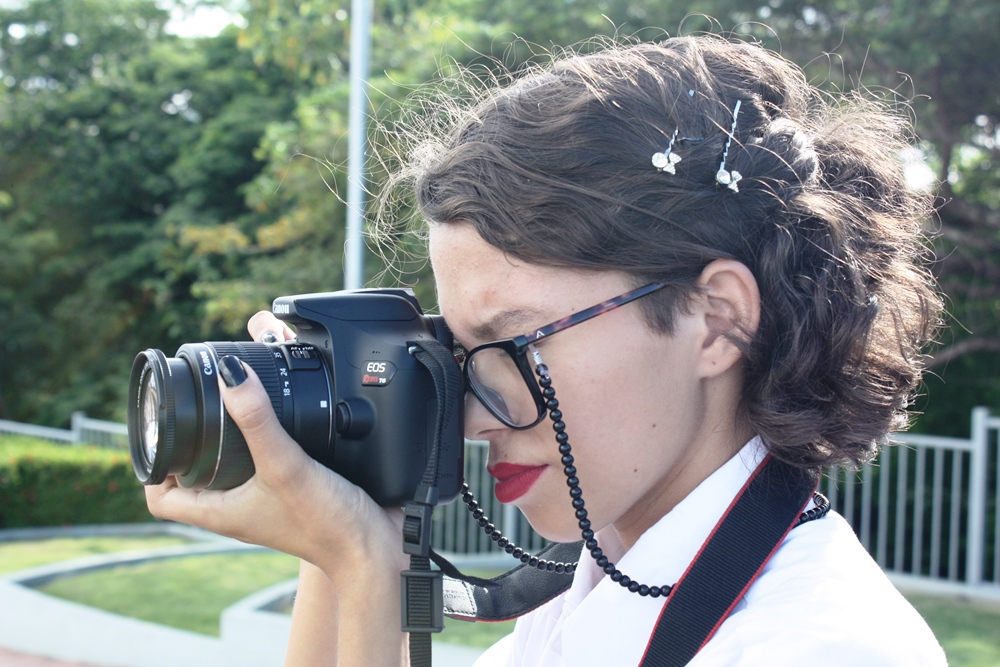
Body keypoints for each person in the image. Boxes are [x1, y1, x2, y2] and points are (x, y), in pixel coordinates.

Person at [145, 34, 948, 665]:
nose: (471, 417)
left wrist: (365, 571)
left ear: (716, 319)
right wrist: (345, 526)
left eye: (514, 342)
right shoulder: (586, 603)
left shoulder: (821, 647)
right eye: (456, 352)